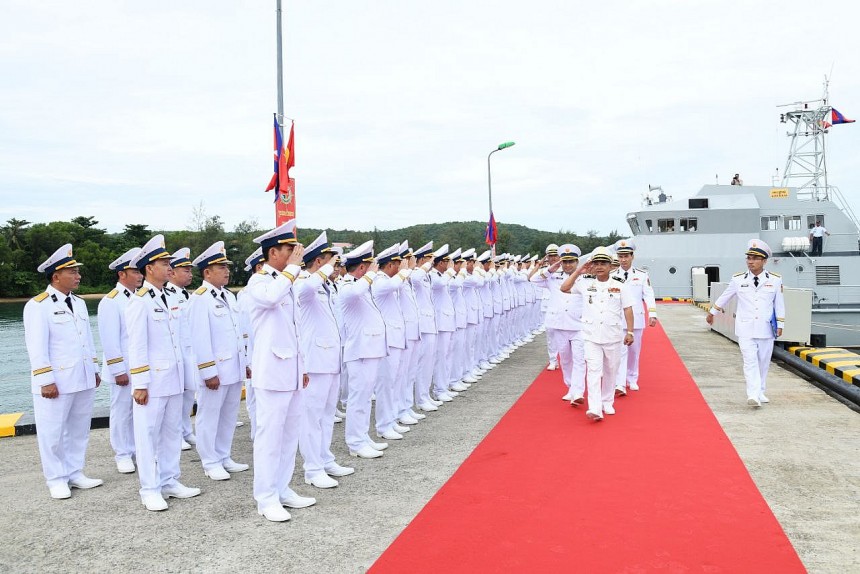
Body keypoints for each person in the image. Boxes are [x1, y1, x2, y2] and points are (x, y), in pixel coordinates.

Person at [245, 220, 315, 522]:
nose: (296, 253)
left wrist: (303, 366)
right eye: (290, 249)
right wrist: (293, 270)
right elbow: (271, 298)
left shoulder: (288, 281)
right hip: (271, 373)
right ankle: (266, 497)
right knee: (269, 437)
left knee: (289, 435)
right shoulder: (259, 282)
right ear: (274, 252)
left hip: (291, 372)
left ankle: (283, 488)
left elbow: (295, 329)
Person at [127, 235, 201, 511]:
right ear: (149, 268)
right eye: (164, 262)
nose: (169, 266)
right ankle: (149, 488)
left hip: (174, 377)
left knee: (171, 432)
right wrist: (141, 383)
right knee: (147, 435)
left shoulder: (170, 297)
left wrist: (187, 377)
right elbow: (136, 345)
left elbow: (180, 340)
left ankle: (170, 480)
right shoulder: (140, 301)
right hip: (153, 381)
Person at [23, 243, 103, 500]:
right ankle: (56, 478)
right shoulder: (38, 306)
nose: (78, 276)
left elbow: (86, 340)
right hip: (56, 380)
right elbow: (37, 348)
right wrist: (45, 380)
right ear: (56, 275)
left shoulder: (78, 303)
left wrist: (94, 369)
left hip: (81, 377)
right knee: (52, 431)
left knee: (79, 428)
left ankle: (74, 472)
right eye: (73, 272)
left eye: (77, 272)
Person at [294, 231, 354, 489]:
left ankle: (325, 458)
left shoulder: (328, 286)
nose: (337, 267)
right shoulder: (304, 282)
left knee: (327, 415)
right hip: (314, 361)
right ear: (318, 261)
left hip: (331, 358)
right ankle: (312, 468)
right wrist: (324, 267)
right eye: (331, 261)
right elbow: (305, 289)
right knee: (311, 417)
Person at [188, 241, 249, 481]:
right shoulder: (200, 299)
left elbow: (236, 334)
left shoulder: (229, 296)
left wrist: (245, 363)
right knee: (209, 415)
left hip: (233, 368)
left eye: (226, 266)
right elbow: (200, 339)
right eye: (221, 267)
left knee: (229, 415)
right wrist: (207, 372)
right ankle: (210, 461)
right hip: (215, 371)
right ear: (207, 272)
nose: (227, 270)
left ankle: (224, 455)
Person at [707, 239, 785, 407]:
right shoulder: (737, 280)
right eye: (748, 258)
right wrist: (712, 312)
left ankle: (761, 390)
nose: (751, 261)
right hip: (745, 328)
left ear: (764, 261)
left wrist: (781, 324)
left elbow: (779, 304)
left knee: (763, 362)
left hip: (766, 328)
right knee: (750, 361)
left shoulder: (775, 280)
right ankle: (753, 395)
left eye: (755, 258)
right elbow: (725, 296)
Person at [560, 247, 635, 422]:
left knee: (611, 370)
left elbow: (628, 309)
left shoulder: (619, 285)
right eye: (597, 263)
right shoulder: (585, 283)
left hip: (613, 335)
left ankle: (607, 401)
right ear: (592, 265)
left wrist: (630, 331)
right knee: (594, 370)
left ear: (611, 266)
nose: (600, 266)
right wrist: (579, 270)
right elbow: (564, 288)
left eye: (604, 263)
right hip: (591, 336)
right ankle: (594, 408)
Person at [337, 240, 390, 459]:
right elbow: (355, 292)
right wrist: (369, 276)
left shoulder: (362, 286)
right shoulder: (347, 287)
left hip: (370, 350)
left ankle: (363, 437)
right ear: (361, 268)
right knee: (358, 399)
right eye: (370, 266)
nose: (374, 271)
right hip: (359, 352)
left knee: (366, 397)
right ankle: (355, 443)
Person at [98, 246, 143, 474]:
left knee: (139, 411)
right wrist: (118, 371)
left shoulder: (140, 299)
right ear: (121, 274)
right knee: (121, 410)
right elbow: (110, 340)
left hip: (139, 368)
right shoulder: (111, 301)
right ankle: (122, 454)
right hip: (123, 369)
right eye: (135, 271)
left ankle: (137, 449)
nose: (140, 275)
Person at [531, 244, 585, 403]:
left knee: (579, 359)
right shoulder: (553, 276)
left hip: (579, 325)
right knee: (566, 360)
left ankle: (578, 392)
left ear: (577, 262)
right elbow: (533, 279)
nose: (568, 265)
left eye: (571, 262)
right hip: (559, 324)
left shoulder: (584, 277)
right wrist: (552, 268)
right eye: (565, 262)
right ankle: (570, 387)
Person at [611, 239, 658, 395]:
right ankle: (620, 383)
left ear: (632, 257)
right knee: (620, 352)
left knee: (634, 352)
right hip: (617, 319)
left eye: (626, 256)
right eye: (620, 256)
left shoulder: (642, 275)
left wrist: (652, 313)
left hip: (636, 320)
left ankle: (632, 378)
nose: (623, 259)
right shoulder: (612, 275)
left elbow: (649, 295)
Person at [165, 247, 197, 451]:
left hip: (189, 353)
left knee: (188, 395)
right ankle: (175, 434)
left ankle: (185, 430)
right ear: (173, 272)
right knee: (175, 399)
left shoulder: (188, 295)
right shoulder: (166, 295)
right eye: (185, 270)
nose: (190, 274)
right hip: (175, 354)